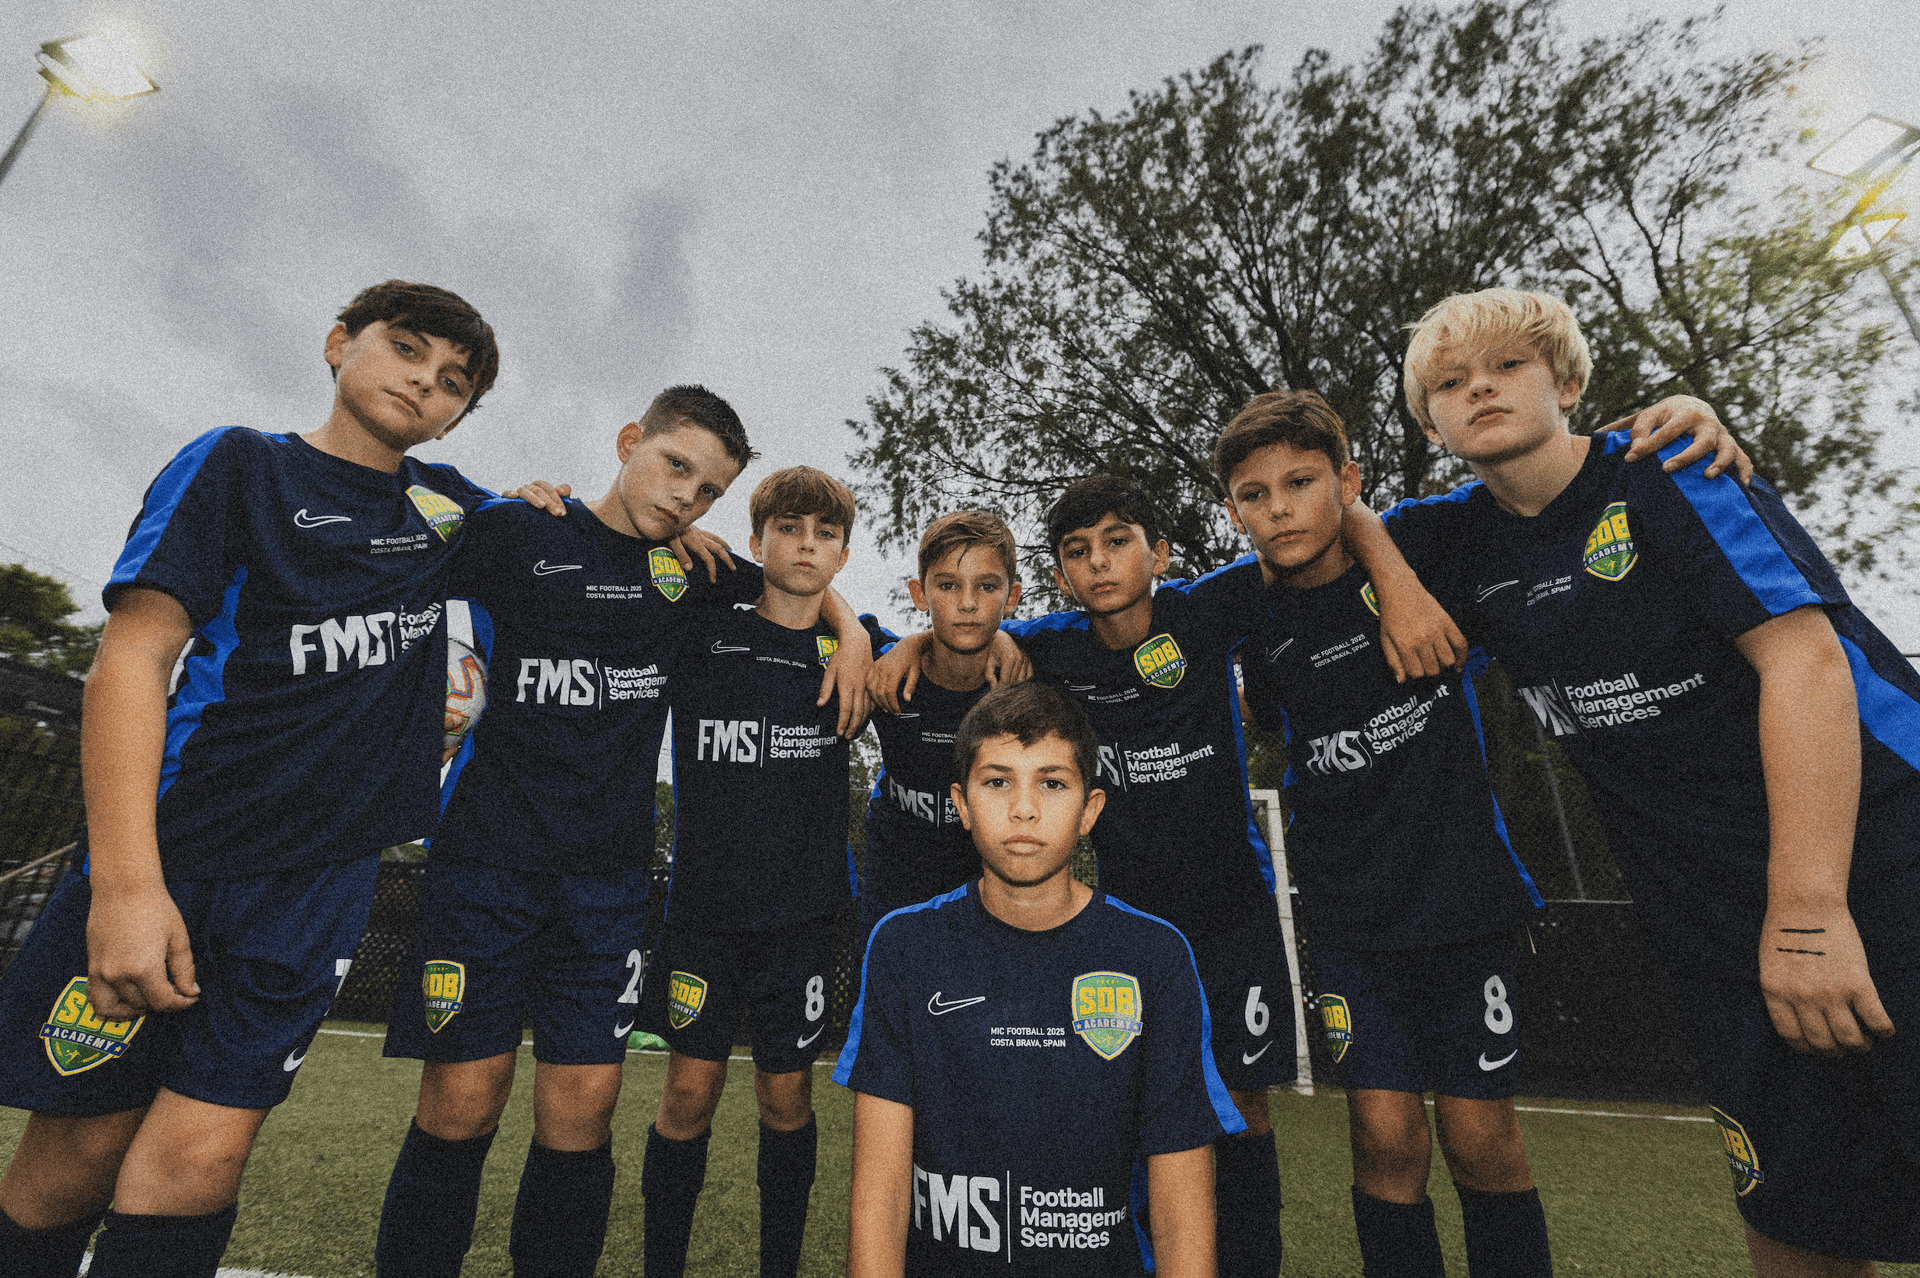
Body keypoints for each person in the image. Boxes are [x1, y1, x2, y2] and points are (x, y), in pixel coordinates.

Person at [1381, 287, 1919, 1274]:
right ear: (1431, 427)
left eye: (1508, 366)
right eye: (1451, 384)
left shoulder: (1669, 468)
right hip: (1709, 912)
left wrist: (1808, 911)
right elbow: (1312, 529)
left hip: (1879, 856)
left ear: (1569, 383)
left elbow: (1806, 665)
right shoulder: (1454, 541)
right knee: (1794, 1204)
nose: (1481, 389)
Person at [0, 281, 532, 1278]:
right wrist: (126, 887)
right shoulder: (240, 462)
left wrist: (832, 616)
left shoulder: (451, 510)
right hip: (177, 853)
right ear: (339, 343)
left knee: (201, 1160)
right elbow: (132, 659)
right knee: (75, 1157)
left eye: (455, 380)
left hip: (320, 882)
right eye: (406, 348)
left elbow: (588, 535)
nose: (427, 380)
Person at [371, 390, 874, 1277]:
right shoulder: (522, 531)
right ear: (629, 441)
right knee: (463, 1102)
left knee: (583, 1112)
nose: (686, 496)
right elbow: (405, 519)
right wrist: (512, 492)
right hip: (488, 864)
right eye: (676, 466)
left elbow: (800, 583)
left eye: (709, 489)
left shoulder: (695, 571)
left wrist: (854, 637)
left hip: (605, 884)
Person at [1218, 389, 1552, 1277]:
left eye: (1301, 482)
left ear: (1348, 481)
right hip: (1347, 916)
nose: (1279, 507)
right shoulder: (1250, 618)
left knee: (1480, 1135)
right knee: (1383, 1134)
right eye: (1254, 494)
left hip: (1461, 896)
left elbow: (1534, 470)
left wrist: (1392, 573)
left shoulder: (1426, 549)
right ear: (1234, 512)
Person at [837, 680, 1244, 1277]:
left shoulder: (1155, 956)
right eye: (997, 782)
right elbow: (882, 1197)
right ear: (962, 804)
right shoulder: (905, 946)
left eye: (1051, 783)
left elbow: (1181, 1216)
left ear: (1090, 811)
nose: (1023, 808)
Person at [634, 465, 872, 1278]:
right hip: (704, 912)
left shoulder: (854, 649)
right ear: (756, 540)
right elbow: (641, 542)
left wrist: (855, 633)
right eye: (789, 530)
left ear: (844, 553)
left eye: (826, 534)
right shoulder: (703, 624)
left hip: (802, 917)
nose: (807, 546)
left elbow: (932, 652)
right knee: (686, 1095)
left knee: (786, 1098)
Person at [859, 510, 1026, 949]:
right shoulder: (884, 666)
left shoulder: (1026, 672)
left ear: (1012, 597)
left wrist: (1006, 636)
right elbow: (806, 595)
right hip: (893, 886)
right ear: (920, 593)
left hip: (990, 891)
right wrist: (899, 642)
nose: (967, 603)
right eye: (948, 585)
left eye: (986, 586)